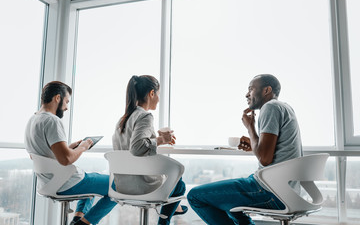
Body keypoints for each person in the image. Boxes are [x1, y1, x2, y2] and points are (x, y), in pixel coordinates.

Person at [187, 74, 303, 225]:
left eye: (251, 89)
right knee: (228, 201)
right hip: (288, 191)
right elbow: (273, 149)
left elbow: (264, 159)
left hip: (271, 191)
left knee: (194, 196)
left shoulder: (270, 107)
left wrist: (250, 128)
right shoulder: (285, 107)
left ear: (267, 90)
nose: (247, 94)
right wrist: (255, 143)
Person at [25, 81, 117, 225]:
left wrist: (68, 147)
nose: (67, 107)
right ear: (57, 98)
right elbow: (66, 159)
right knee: (117, 186)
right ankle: (83, 223)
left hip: (47, 183)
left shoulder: (33, 120)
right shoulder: (52, 121)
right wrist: (83, 147)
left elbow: (37, 154)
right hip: (65, 182)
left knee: (91, 178)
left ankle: (77, 219)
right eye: (66, 101)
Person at [112, 75, 187, 225]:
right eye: (158, 95)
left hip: (121, 186)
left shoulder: (123, 119)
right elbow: (137, 147)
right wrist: (161, 140)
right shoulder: (145, 116)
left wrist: (152, 136)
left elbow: (129, 146)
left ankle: (174, 208)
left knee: (172, 184)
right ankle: (164, 221)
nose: (158, 100)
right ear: (151, 93)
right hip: (142, 187)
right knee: (180, 185)